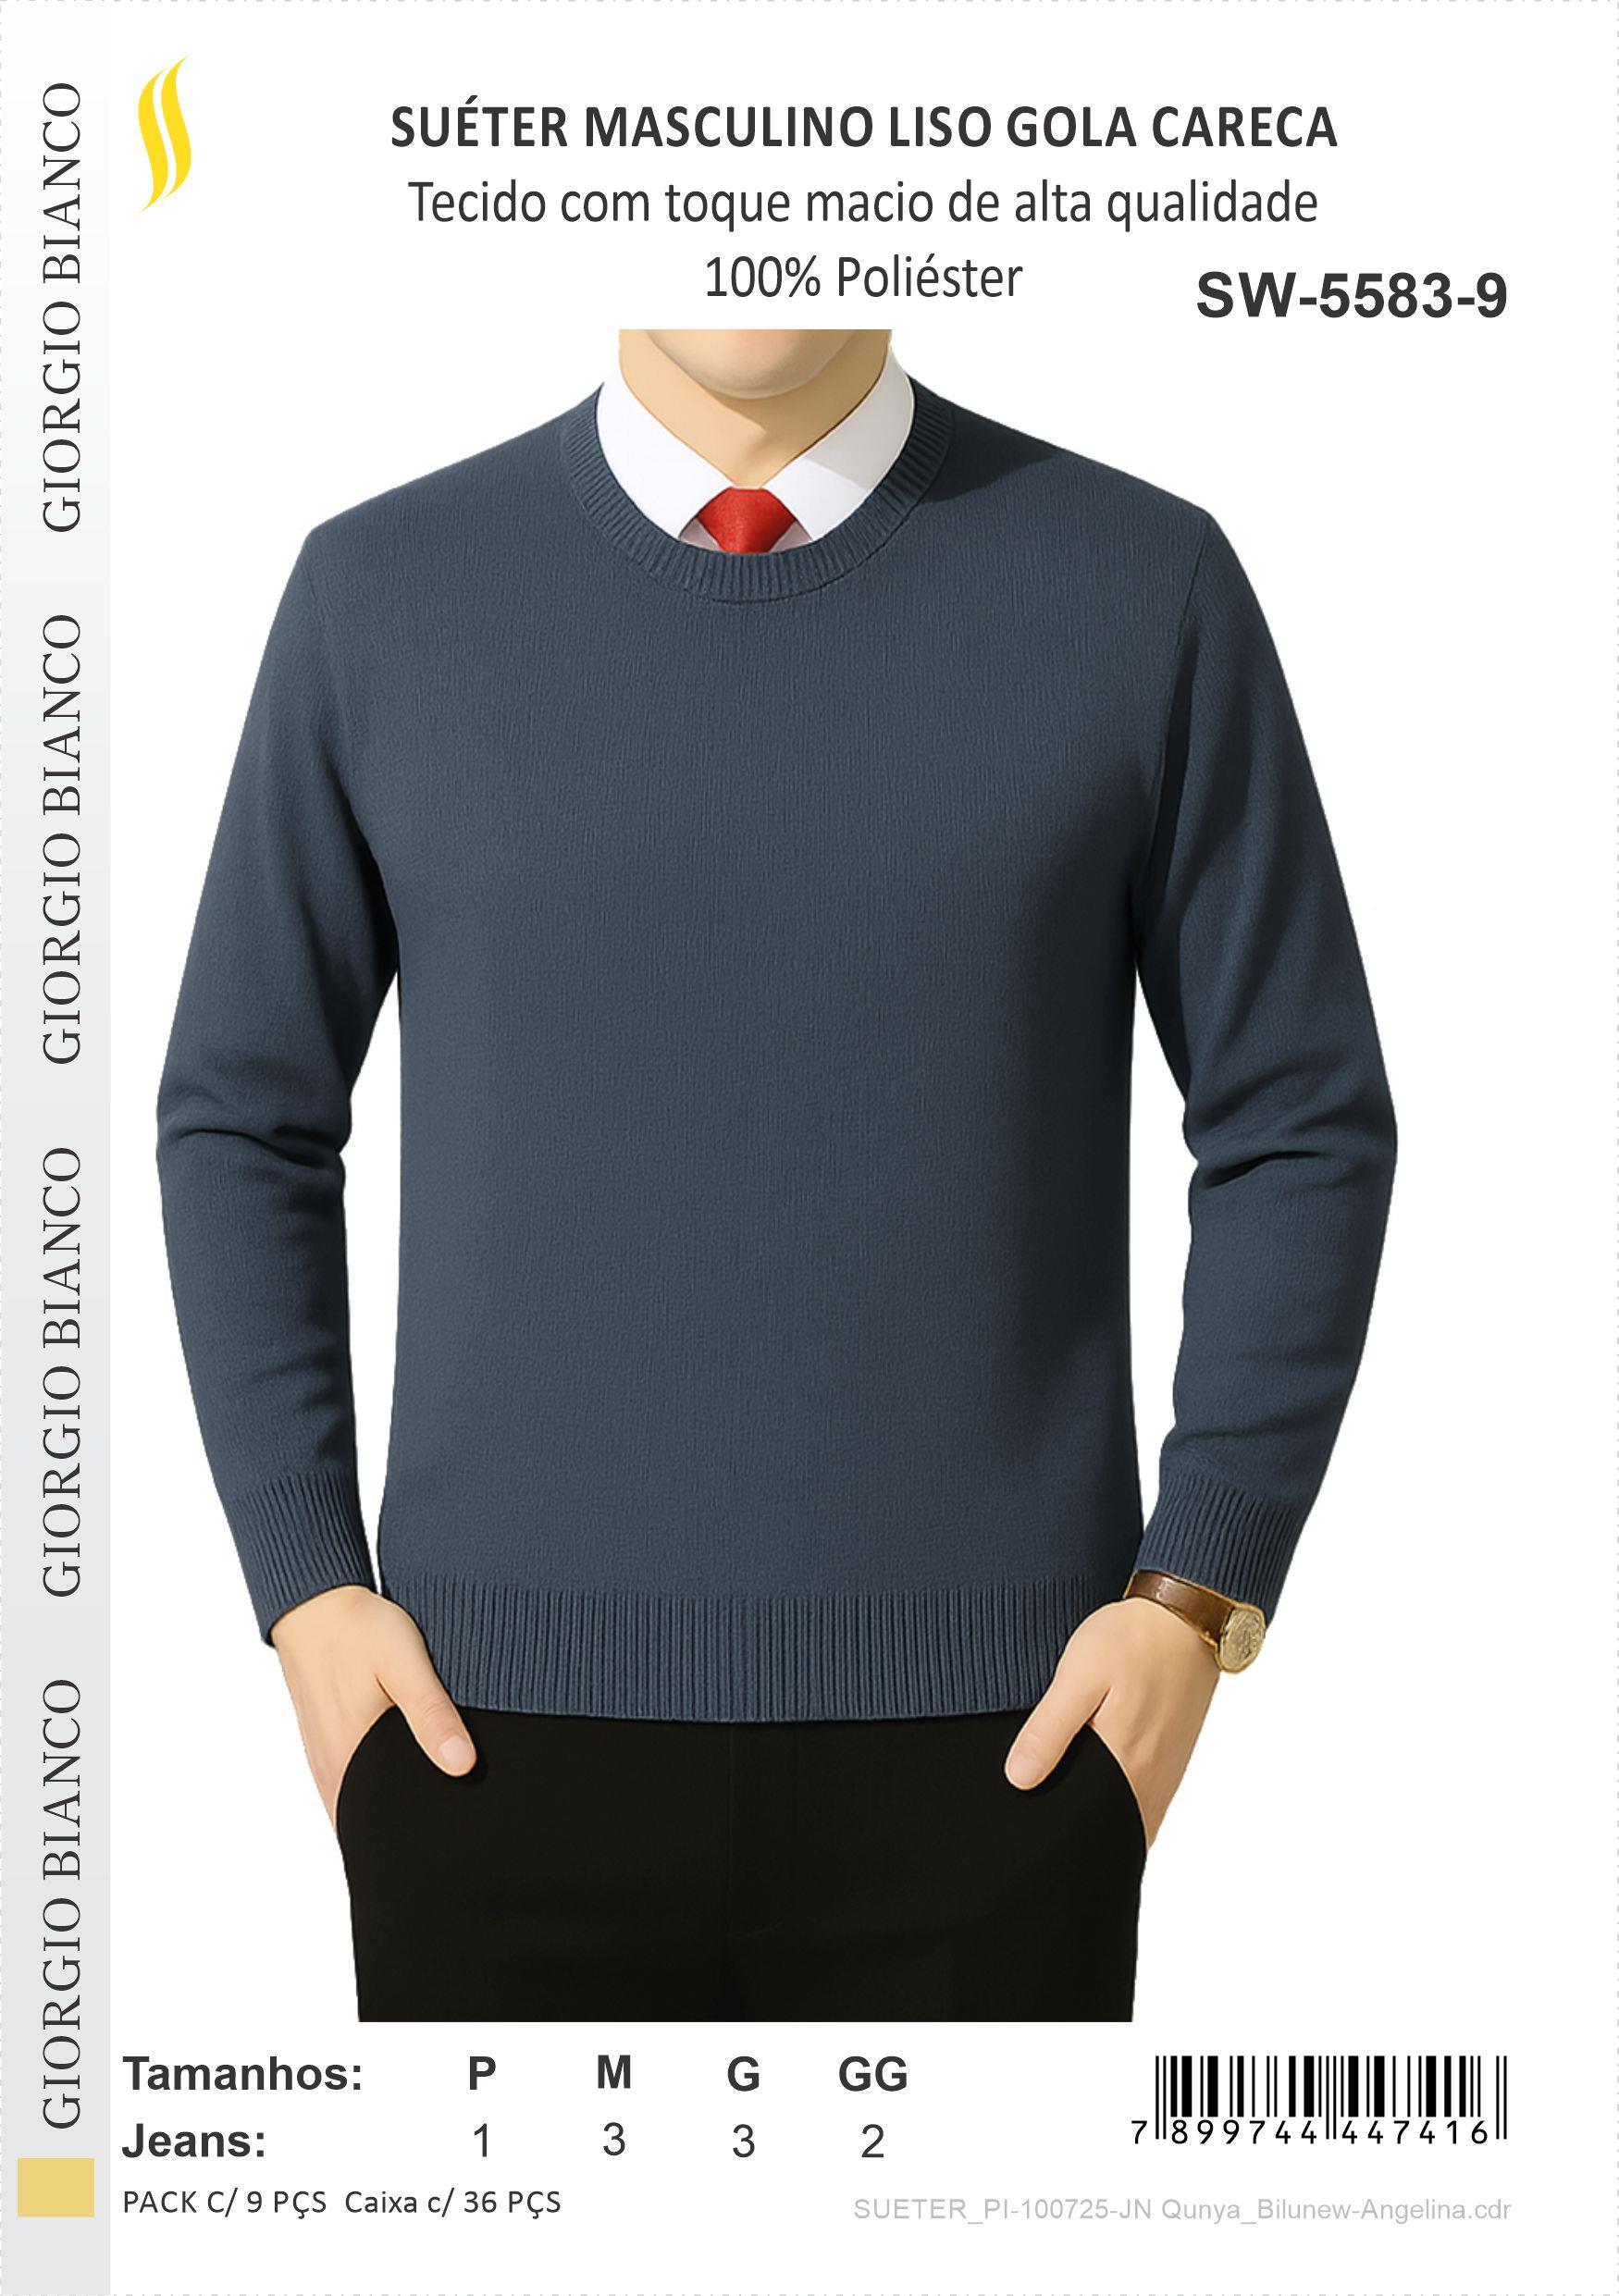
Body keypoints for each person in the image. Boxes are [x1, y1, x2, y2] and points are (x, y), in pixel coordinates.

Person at [156, 328, 1396, 2020]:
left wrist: (1197, 1591)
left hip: (1005, 1760)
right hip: (477, 1751)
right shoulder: (377, 593)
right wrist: (303, 1585)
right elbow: (243, 1112)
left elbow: (1297, 1113)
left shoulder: (1140, 581)